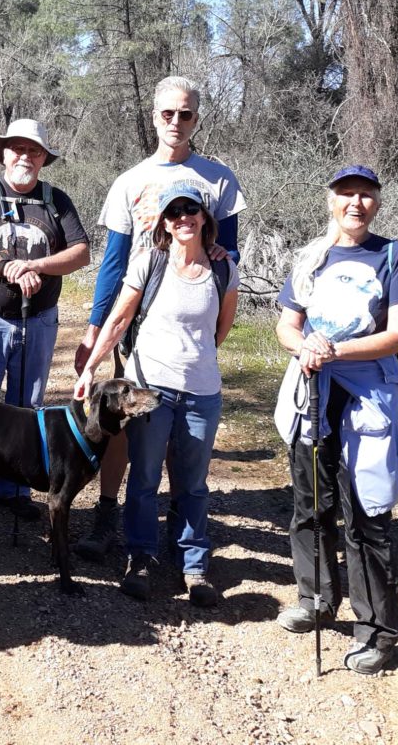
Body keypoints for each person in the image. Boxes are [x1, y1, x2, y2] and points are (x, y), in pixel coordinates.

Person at [73, 75, 246, 560]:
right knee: (120, 426)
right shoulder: (131, 181)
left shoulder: (218, 178)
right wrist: (94, 331)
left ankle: (173, 532)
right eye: (167, 113)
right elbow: (114, 261)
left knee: (176, 432)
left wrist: (210, 336)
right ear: (153, 116)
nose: (176, 121)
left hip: (187, 322)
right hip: (139, 324)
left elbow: (227, 249)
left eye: (185, 113)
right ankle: (109, 515)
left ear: (197, 117)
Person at [272, 165, 398, 675]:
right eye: (346, 194)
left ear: (377, 202)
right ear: (330, 200)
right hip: (312, 394)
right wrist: (307, 348)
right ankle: (316, 598)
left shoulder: (394, 256)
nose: (355, 203)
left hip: (369, 403)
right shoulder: (311, 258)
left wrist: (334, 349)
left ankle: (377, 632)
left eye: (365, 195)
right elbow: (287, 326)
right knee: (310, 504)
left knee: (368, 517)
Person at [74, 183, 238, 606]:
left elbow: (220, 330)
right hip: (152, 388)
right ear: (164, 221)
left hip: (202, 392)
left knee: (193, 484)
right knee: (145, 479)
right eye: (174, 212)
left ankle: (193, 565)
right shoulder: (150, 262)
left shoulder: (223, 269)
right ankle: (141, 557)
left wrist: (194, 358)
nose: (183, 217)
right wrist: (92, 365)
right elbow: (119, 319)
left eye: (191, 210)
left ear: (205, 217)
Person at [0, 119, 90, 520]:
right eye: (18, 148)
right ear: (3, 153)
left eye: (34, 150)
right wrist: (8, 267)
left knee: (27, 408)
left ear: (44, 158)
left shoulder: (56, 200)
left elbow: (81, 252)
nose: (25, 156)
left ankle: (16, 488)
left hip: (39, 319)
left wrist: (38, 265)